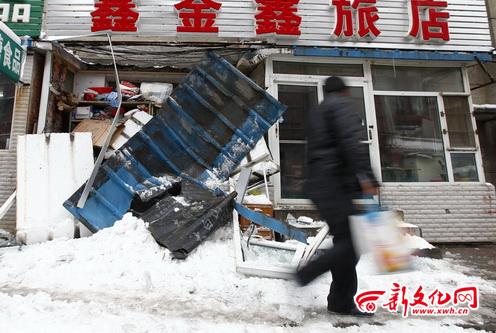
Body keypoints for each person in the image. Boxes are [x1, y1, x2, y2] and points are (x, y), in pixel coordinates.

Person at [295, 76, 379, 316]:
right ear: (344, 92)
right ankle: (307, 273)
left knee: (348, 243)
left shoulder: (319, 111)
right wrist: (368, 178)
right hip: (333, 185)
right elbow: (352, 143)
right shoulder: (340, 107)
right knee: (351, 243)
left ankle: (340, 302)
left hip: (322, 185)